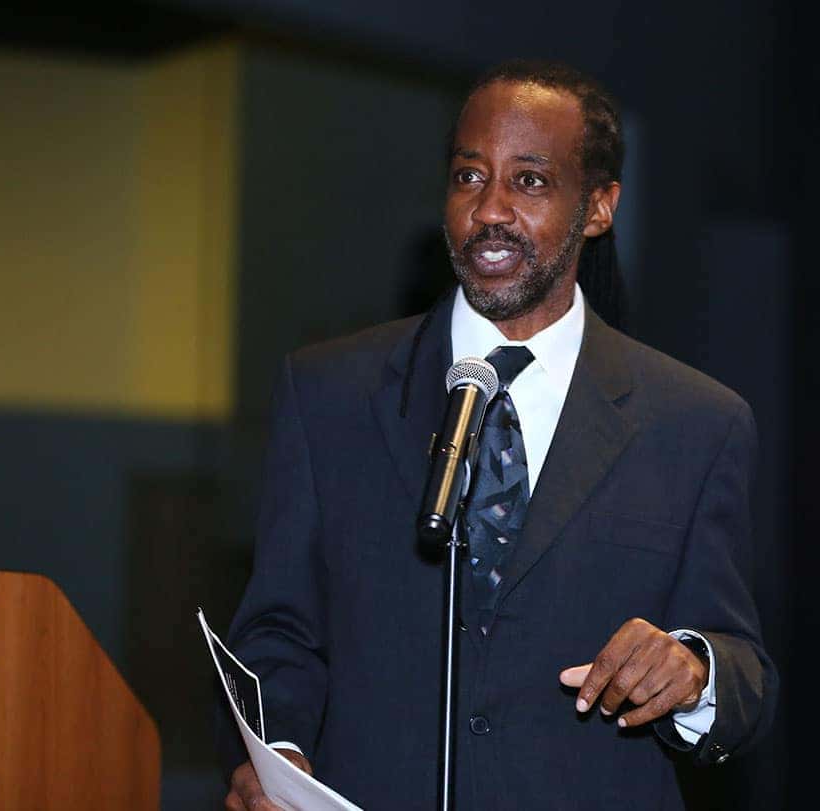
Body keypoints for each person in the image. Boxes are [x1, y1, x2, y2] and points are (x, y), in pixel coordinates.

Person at [222, 60, 776, 811]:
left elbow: (743, 671)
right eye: (468, 176)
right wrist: (278, 753)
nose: (489, 210)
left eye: (530, 182)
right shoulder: (328, 394)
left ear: (600, 207)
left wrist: (693, 671)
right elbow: (279, 633)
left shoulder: (695, 423)